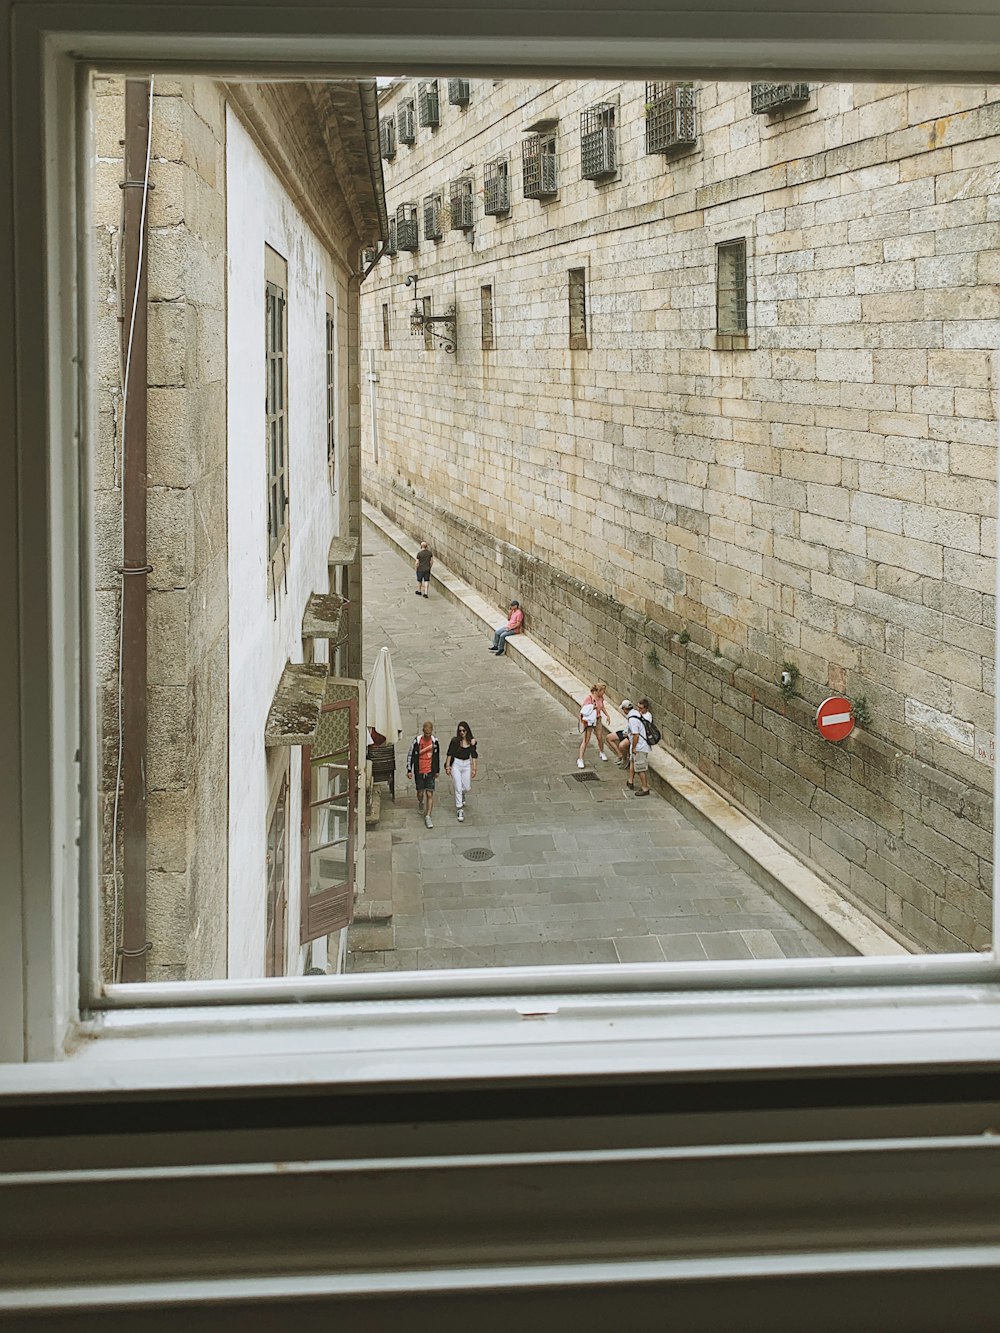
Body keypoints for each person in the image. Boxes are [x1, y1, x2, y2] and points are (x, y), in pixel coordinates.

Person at [406, 719, 440, 828]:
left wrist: (437, 771)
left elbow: (437, 757)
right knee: (420, 792)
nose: (427, 735)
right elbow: (410, 755)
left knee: (429, 793)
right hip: (419, 771)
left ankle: (428, 815)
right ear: (423, 731)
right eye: (426, 733)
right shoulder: (417, 741)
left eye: (429, 733)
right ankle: (420, 802)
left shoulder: (435, 742)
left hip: (430, 771)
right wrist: (409, 769)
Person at [444, 720, 478, 822]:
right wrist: (448, 766)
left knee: (466, 787)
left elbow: (474, 755)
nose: (462, 733)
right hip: (457, 765)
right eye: (460, 731)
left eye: (463, 730)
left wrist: (474, 768)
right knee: (458, 786)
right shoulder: (455, 741)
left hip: (466, 764)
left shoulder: (471, 742)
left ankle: (462, 794)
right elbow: (449, 754)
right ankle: (459, 808)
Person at [577, 680, 611, 768]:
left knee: (600, 737)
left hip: (598, 718)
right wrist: (593, 708)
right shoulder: (589, 698)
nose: (604, 693)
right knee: (586, 740)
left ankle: (602, 752)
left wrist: (607, 715)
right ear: (598, 691)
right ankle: (580, 759)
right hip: (590, 721)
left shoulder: (601, 698)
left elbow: (602, 706)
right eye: (603, 691)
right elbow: (583, 709)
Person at [626, 698, 652, 796]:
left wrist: (634, 747)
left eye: (641, 707)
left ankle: (645, 788)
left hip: (640, 746)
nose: (639, 709)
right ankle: (630, 781)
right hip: (638, 746)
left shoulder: (635, 719)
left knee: (640, 767)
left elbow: (636, 735)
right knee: (633, 762)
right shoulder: (636, 716)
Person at [610, 698, 634, 767]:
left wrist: (627, 734)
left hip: (630, 735)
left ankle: (625, 759)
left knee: (622, 745)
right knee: (609, 737)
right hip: (626, 732)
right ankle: (620, 755)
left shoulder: (632, 717)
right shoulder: (629, 715)